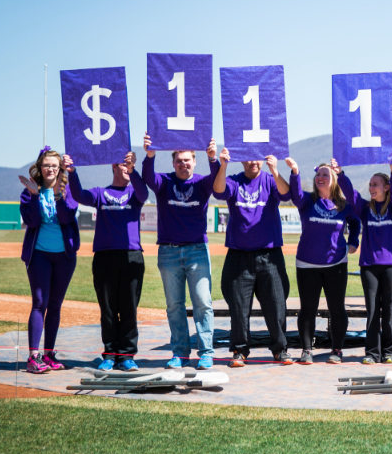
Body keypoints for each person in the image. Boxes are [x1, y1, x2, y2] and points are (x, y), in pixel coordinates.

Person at [142, 133, 220, 369]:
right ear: (173, 163)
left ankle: (206, 353)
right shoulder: (164, 182)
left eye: (187, 160)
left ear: (194, 161)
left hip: (197, 250)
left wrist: (213, 159)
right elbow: (148, 177)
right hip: (168, 252)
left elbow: (217, 182)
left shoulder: (201, 183)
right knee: (174, 305)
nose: (183, 164)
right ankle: (180, 353)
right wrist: (150, 155)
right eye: (179, 161)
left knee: (203, 303)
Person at [67, 151, 148, 371]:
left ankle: (127, 356)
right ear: (114, 166)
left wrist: (133, 170)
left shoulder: (135, 192)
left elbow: (144, 192)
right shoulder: (101, 193)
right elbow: (79, 195)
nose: (127, 168)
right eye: (123, 165)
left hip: (132, 256)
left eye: (130, 165)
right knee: (109, 309)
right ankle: (110, 355)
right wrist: (72, 173)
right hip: (104, 256)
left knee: (129, 308)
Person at [213, 150, 292, 368]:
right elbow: (218, 191)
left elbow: (286, 194)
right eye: (248, 157)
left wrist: (275, 170)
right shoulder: (234, 181)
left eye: (257, 157)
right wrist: (223, 165)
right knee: (239, 308)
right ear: (242, 160)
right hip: (239, 255)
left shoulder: (270, 180)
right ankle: (239, 350)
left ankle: (280, 349)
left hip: (270, 254)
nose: (253, 162)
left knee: (276, 305)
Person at [287, 158, 359, 364]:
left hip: (336, 264)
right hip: (307, 264)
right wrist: (295, 172)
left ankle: (337, 350)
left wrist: (353, 243)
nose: (320, 177)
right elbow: (296, 194)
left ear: (334, 180)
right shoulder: (307, 200)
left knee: (337, 309)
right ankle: (307, 350)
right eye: (318, 174)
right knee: (308, 309)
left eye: (325, 174)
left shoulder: (344, 205)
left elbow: (355, 223)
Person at [18, 147, 80, 374]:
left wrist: (58, 195)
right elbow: (32, 221)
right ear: (40, 168)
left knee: (54, 305)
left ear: (60, 168)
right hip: (39, 255)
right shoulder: (29, 191)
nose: (50, 168)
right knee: (39, 302)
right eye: (46, 165)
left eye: (54, 165)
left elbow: (66, 216)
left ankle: (49, 353)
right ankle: (33, 357)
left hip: (64, 257)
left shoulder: (69, 190)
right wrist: (35, 195)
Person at [340, 156, 392, 365]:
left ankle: (389, 352)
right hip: (369, 266)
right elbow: (350, 193)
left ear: (385, 188)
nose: (371, 188)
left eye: (375, 184)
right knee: (372, 311)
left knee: (389, 310)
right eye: (369, 184)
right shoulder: (364, 208)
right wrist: (340, 174)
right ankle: (372, 352)